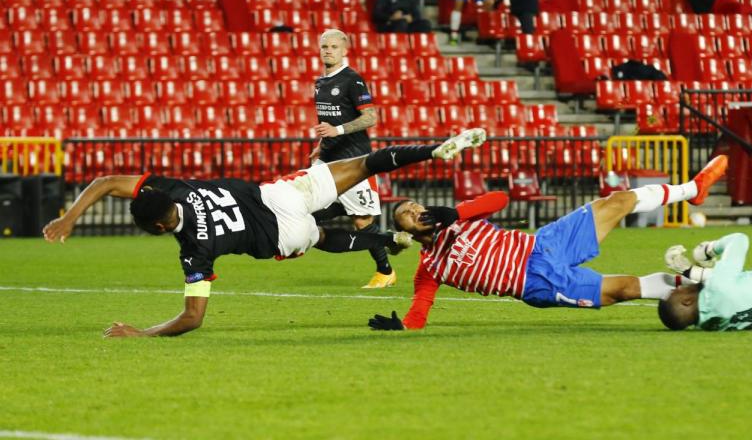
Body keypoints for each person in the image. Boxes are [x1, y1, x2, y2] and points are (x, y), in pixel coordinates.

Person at [41, 129, 488, 337]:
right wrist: (70, 217)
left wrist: (143, 333)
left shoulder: (194, 250)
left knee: (323, 238)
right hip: (277, 194)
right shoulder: (171, 187)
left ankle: (390, 242)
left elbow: (192, 318)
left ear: (159, 227)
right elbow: (104, 184)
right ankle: (434, 149)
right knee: (365, 164)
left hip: (279, 236)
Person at [366, 156, 729, 331]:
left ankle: (692, 190)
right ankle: (702, 289)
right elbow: (420, 312)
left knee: (615, 202)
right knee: (624, 289)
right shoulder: (430, 267)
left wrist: (456, 212)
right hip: (537, 282)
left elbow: (499, 199)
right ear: (410, 233)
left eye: (416, 206)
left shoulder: (458, 217)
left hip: (543, 245)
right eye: (409, 216)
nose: (418, 211)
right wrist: (403, 327)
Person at [308, 29, 396, 289]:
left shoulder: (352, 80)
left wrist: (338, 130)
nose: (328, 50)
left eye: (334, 47)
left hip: (354, 160)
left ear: (344, 50)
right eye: (324, 46)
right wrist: (321, 144)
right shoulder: (320, 83)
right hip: (327, 159)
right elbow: (327, 120)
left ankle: (385, 270)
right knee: (309, 208)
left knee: (361, 221)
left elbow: (371, 117)